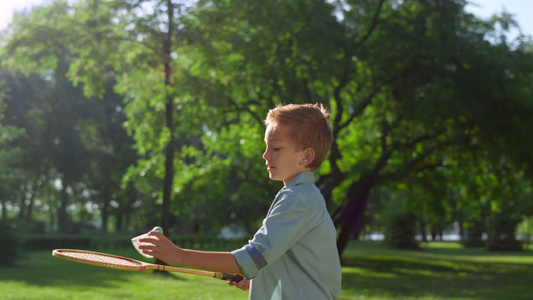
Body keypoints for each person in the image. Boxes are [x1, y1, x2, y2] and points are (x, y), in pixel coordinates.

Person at [139, 103, 342, 299]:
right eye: (266, 147)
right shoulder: (303, 196)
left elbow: (253, 257)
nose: (265, 155)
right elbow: (288, 263)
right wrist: (257, 279)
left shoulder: (297, 199)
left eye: (276, 148)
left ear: (306, 156)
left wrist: (179, 256)